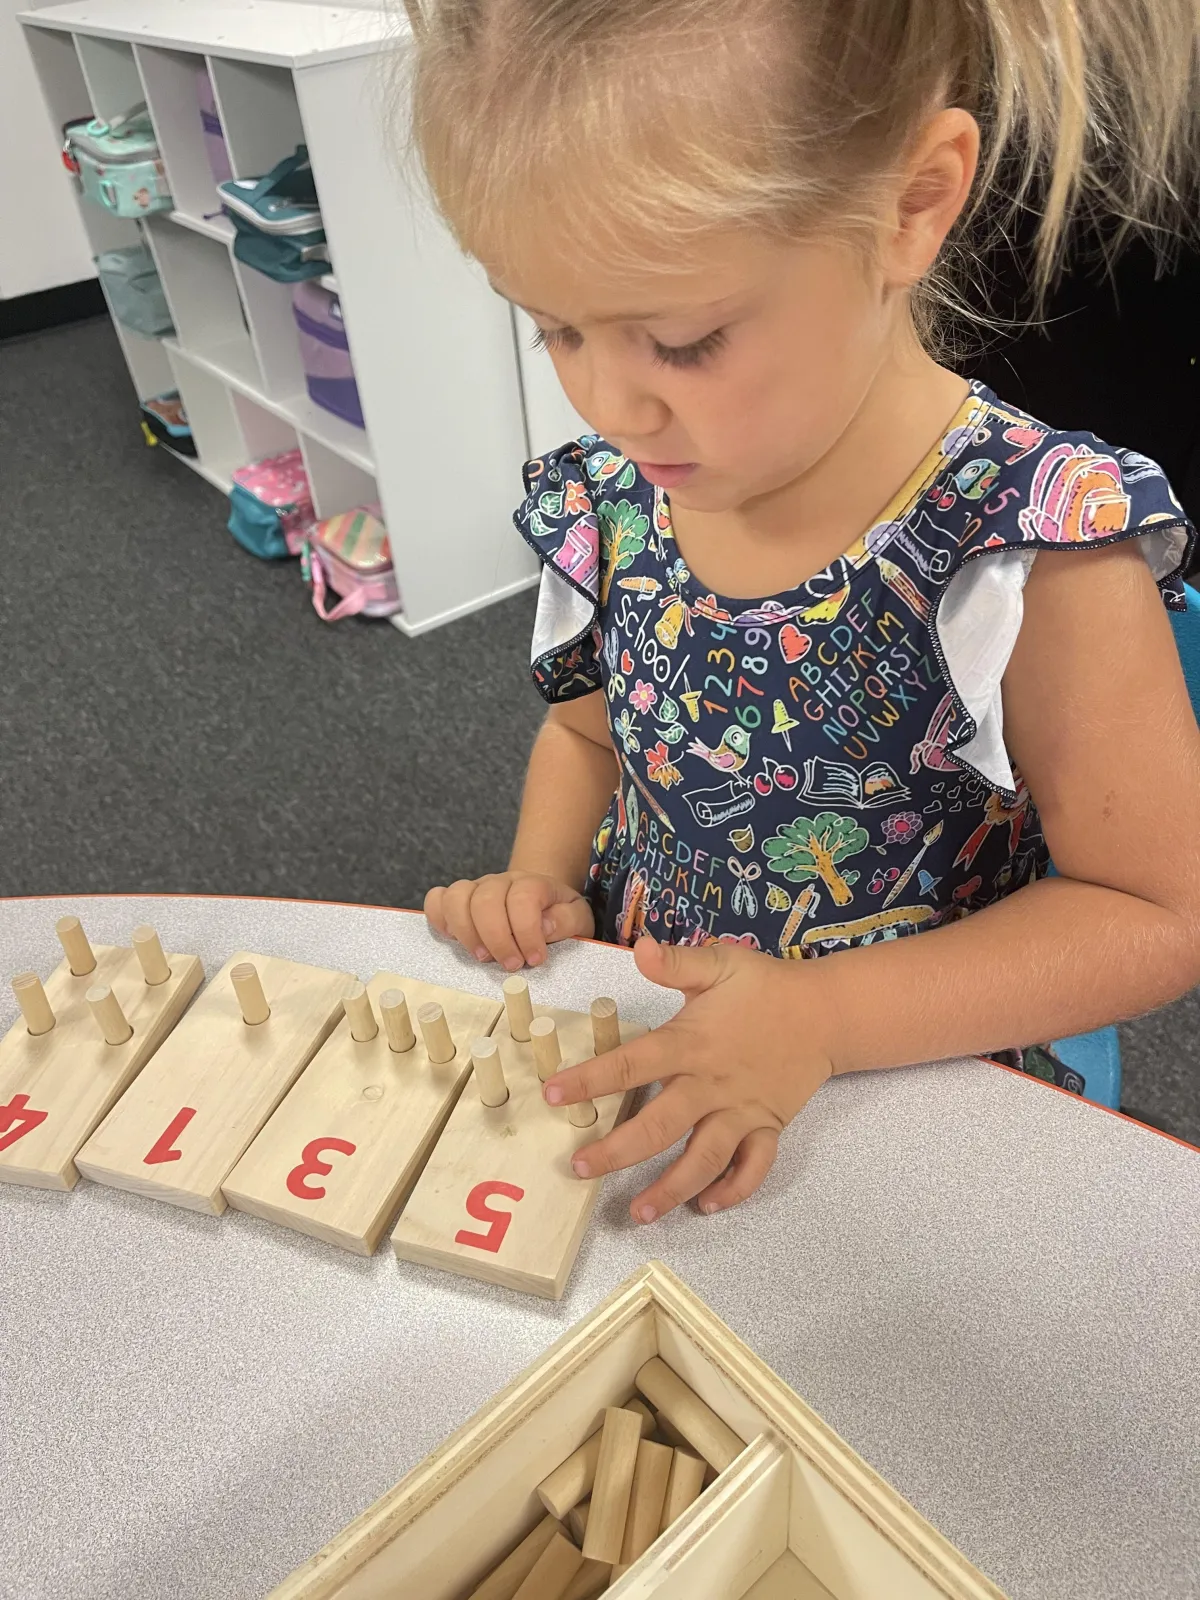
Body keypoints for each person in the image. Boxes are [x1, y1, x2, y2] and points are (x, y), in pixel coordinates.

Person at [414, 0, 1200, 1223]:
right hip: (685, 1063)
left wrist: (821, 1022)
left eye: (682, 340)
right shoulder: (621, 498)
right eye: (555, 327)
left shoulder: (1027, 543)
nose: (610, 402)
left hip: (921, 1105)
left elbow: (1159, 911)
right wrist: (538, 880)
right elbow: (586, 736)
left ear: (910, 206)